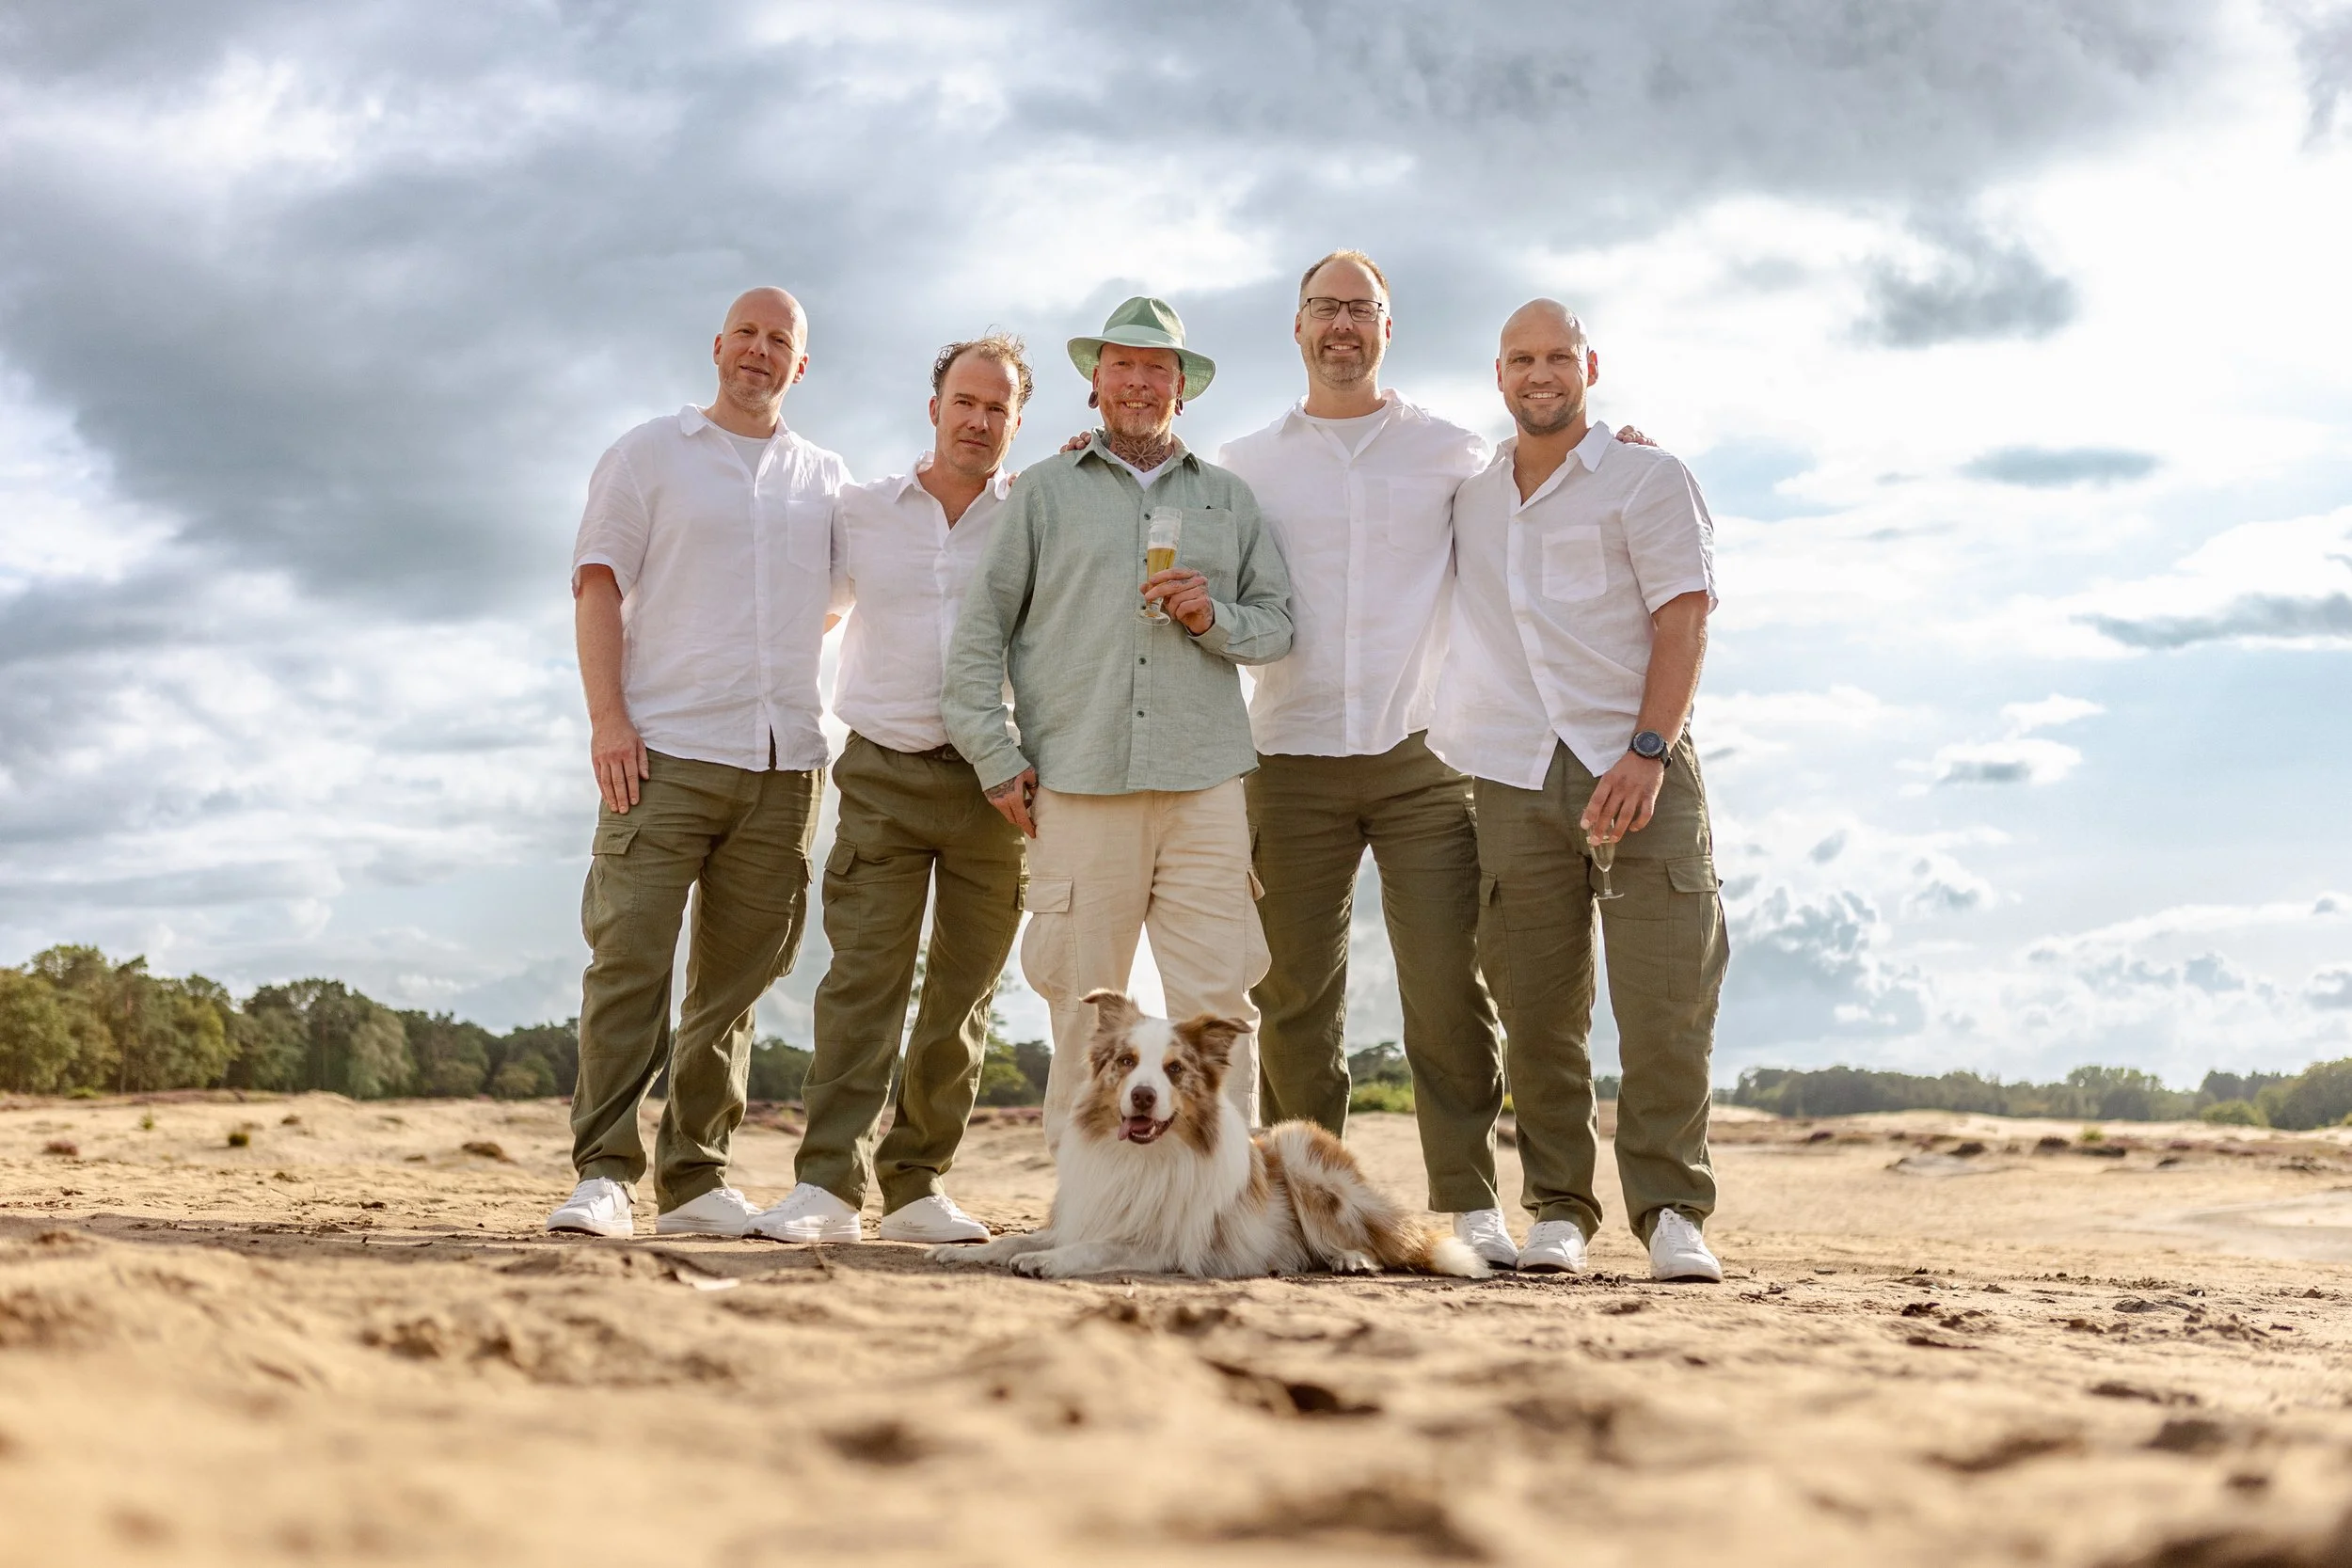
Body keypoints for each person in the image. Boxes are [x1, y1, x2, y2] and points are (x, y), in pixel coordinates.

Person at [1213, 250, 1516, 1265]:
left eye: (1361, 309)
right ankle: (1310, 1203)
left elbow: (1544, 492)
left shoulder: (1453, 450)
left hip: (1422, 754)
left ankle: (1469, 1200)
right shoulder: (1245, 462)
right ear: (1295, 327)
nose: (1342, 324)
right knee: (1294, 998)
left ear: (1389, 327)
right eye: (1324, 308)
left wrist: (1624, 444)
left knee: (1445, 983)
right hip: (1285, 756)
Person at [942, 296, 1293, 1145]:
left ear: (1184, 387)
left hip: (1205, 786)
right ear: (1095, 385)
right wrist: (995, 755)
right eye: (1122, 367)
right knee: (1082, 1009)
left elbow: (1278, 625)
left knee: (1220, 1011)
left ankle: (1223, 1207)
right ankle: (1086, 1206)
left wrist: (1216, 621)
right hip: (1080, 781)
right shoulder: (1042, 494)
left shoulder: (1231, 500)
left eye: (1157, 369)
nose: (1139, 383)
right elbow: (980, 634)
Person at [1430, 299, 1729, 1283]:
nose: (1539, 373)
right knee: (1535, 1004)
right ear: (1498, 373)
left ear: (1589, 365)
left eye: (1558, 355)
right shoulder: (1470, 497)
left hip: (1634, 760)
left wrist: (1645, 750)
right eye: (1520, 358)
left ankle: (1673, 1208)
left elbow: (1683, 622)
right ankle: (1558, 1206)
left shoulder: (1648, 476)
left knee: (1664, 997)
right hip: (1512, 772)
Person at [547, 287, 850, 1241]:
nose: (760, 352)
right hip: (661, 752)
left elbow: (838, 602)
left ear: (800, 366)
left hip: (782, 764)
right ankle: (604, 1172)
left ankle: (695, 1178)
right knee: (629, 959)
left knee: (733, 986)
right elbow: (597, 584)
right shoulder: (648, 454)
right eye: (747, 335)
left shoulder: (827, 480)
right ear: (718, 346)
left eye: (780, 342)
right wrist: (608, 721)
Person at [748, 336, 1033, 1246]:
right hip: (881, 771)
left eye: (998, 408)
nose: (979, 419)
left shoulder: (1033, 515)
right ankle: (825, 1185)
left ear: (1015, 422)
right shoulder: (861, 511)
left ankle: (915, 1186)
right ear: (935, 406)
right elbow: (812, 606)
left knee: (962, 995)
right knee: (862, 980)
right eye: (966, 400)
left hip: (996, 786)